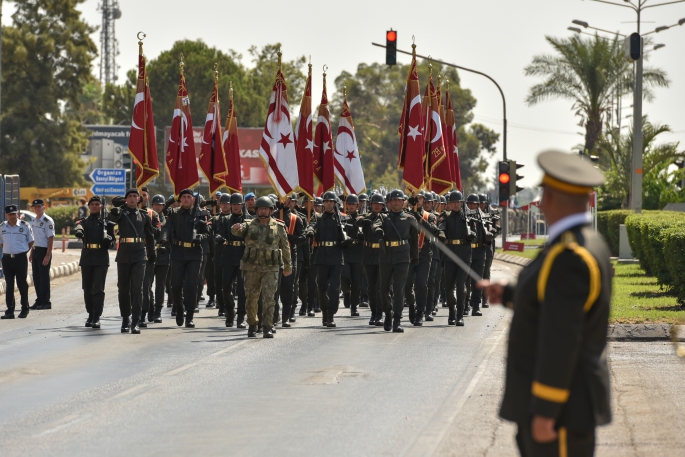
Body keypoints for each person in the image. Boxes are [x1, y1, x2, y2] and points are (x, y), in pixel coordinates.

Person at [480, 150, 611, 457]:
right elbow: (556, 301)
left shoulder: (570, 255)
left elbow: (562, 338)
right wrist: (512, 294)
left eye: (544, 194)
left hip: (561, 411)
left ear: (554, 199)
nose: (539, 202)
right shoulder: (584, 242)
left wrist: (547, 410)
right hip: (563, 404)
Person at [231, 196, 291, 338]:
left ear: (271, 210)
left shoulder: (279, 226)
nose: (263, 211)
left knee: (269, 298)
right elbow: (238, 231)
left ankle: (267, 326)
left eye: (266, 208)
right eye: (260, 208)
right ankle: (252, 324)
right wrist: (235, 228)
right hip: (251, 268)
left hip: (271, 268)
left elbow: (285, 247)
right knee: (251, 298)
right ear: (256, 210)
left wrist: (288, 266)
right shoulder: (249, 224)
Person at [108, 188, 156, 334]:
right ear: (126, 199)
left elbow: (150, 235)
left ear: (139, 199)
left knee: (138, 288)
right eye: (130, 196)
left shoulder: (144, 216)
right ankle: (125, 319)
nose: (133, 198)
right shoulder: (120, 213)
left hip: (140, 254)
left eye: (135, 196)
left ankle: (136, 321)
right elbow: (111, 220)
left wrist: (152, 253)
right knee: (123, 288)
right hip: (124, 254)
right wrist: (115, 211)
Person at [372, 189, 419, 332]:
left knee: (399, 289)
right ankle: (388, 313)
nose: (397, 202)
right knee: (384, 289)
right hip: (386, 256)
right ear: (389, 203)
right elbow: (375, 225)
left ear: (403, 202)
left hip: (403, 257)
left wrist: (415, 258)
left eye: (399, 200)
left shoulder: (410, 219)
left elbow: (415, 241)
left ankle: (397, 320)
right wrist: (378, 231)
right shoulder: (383, 217)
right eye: (394, 200)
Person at [162, 189, 209, 329]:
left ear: (193, 200)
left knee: (191, 285)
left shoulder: (199, 214)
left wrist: (201, 237)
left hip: (194, 253)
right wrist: (164, 239)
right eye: (184, 197)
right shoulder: (174, 214)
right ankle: (179, 307)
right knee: (175, 285)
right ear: (180, 199)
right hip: (178, 252)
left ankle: (189, 316)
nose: (187, 199)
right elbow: (166, 223)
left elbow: (207, 232)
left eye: (189, 197)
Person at [305, 191, 350, 327]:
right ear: (323, 203)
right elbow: (311, 226)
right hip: (322, 255)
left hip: (336, 255)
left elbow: (349, 231)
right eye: (326, 201)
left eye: (331, 201)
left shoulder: (341, 218)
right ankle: (325, 311)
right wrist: (310, 232)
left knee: (335, 288)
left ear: (335, 203)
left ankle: (331, 314)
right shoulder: (318, 217)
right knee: (322, 287)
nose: (329, 203)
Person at [73, 196, 115, 328]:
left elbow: (112, 242)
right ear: (89, 206)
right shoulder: (84, 221)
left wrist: (109, 240)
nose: (95, 206)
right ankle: (90, 314)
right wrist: (79, 232)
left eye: (97, 204)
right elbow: (79, 226)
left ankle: (96, 316)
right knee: (87, 288)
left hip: (101, 257)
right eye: (93, 204)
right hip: (87, 257)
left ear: (101, 207)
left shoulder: (107, 223)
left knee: (98, 288)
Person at [437, 191, 476, 326]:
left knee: (461, 286)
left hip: (464, 255)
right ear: (450, 203)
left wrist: (471, 235)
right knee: (448, 287)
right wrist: (441, 234)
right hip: (450, 256)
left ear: (461, 203)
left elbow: (474, 230)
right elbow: (441, 227)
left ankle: (460, 315)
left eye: (458, 202)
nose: (455, 204)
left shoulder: (468, 216)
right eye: (453, 202)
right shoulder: (445, 216)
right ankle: (452, 312)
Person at [215, 193, 252, 327]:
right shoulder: (225, 220)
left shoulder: (249, 220)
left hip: (243, 256)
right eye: (234, 204)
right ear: (230, 205)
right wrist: (218, 238)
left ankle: (241, 316)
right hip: (228, 254)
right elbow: (219, 232)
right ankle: (230, 310)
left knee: (242, 289)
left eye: (238, 204)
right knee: (225, 288)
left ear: (242, 205)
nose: (236, 207)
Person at [404, 192, 438, 326]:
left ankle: (420, 313)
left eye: (420, 198)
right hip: (409, 255)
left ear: (424, 200)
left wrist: (419, 218)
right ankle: (412, 306)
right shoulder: (405, 214)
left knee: (421, 284)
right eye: (415, 198)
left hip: (424, 255)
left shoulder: (429, 216)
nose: (418, 200)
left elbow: (433, 230)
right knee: (406, 286)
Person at [0, 205, 34, 319]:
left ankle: (24, 308)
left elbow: (30, 241)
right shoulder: (2, 227)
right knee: (9, 284)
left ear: (17, 214)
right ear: (6, 215)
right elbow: (1, 242)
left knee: (21, 284)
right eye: (9, 214)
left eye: (13, 214)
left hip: (20, 259)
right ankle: (10, 310)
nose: (11, 216)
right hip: (7, 259)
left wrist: (21, 251)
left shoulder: (25, 226)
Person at [358, 192, 385, 326]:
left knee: (380, 287)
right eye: (374, 204)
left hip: (382, 255)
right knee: (371, 287)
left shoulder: (385, 218)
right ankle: (373, 313)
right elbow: (356, 222)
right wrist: (362, 221)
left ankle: (379, 314)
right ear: (370, 205)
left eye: (379, 204)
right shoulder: (366, 217)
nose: (376, 206)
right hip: (368, 254)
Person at [140, 193, 162, 325]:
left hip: (148, 254)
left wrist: (147, 223)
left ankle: (143, 314)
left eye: (144, 195)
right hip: (130, 253)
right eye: (138, 195)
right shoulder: (126, 212)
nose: (141, 198)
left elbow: (158, 232)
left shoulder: (152, 214)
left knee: (145, 285)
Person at [340, 194, 364, 317]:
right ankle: (346, 292)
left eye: (353, 204)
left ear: (357, 205)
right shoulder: (342, 218)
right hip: (345, 251)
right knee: (344, 275)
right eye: (349, 204)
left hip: (358, 252)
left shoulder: (362, 218)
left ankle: (354, 307)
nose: (351, 206)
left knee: (357, 282)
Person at [28, 199, 55, 310]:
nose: (36, 208)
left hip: (44, 251)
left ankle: (46, 301)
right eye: (35, 207)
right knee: (36, 277)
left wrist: (48, 255)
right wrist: (31, 252)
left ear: (44, 207)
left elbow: (51, 238)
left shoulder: (47, 220)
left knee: (44, 277)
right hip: (36, 250)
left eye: (39, 206)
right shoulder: (34, 220)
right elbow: (34, 239)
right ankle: (39, 299)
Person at [150, 195, 170, 323]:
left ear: (163, 206)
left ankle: (158, 311)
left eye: (160, 205)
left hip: (163, 255)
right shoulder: (148, 217)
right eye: (155, 204)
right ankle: (149, 308)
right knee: (147, 284)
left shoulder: (167, 220)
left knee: (160, 285)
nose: (158, 207)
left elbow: (166, 233)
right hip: (150, 255)